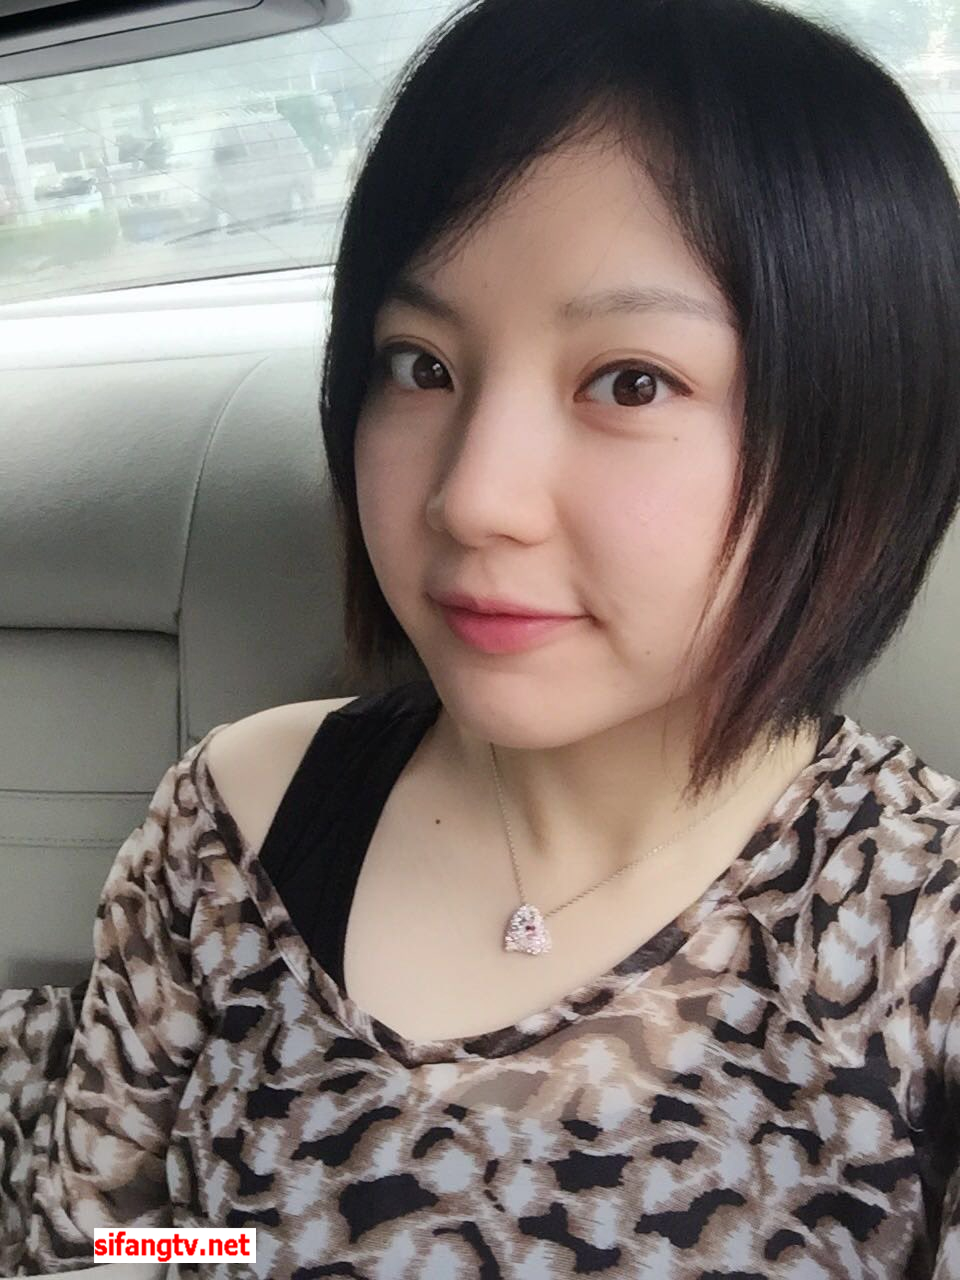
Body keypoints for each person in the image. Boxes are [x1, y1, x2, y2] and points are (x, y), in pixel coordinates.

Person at [5, 0, 960, 1274]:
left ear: (857, 437)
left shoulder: (926, 932)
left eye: (630, 381)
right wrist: (240, 1252)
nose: (471, 498)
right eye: (420, 364)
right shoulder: (240, 824)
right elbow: (111, 1240)